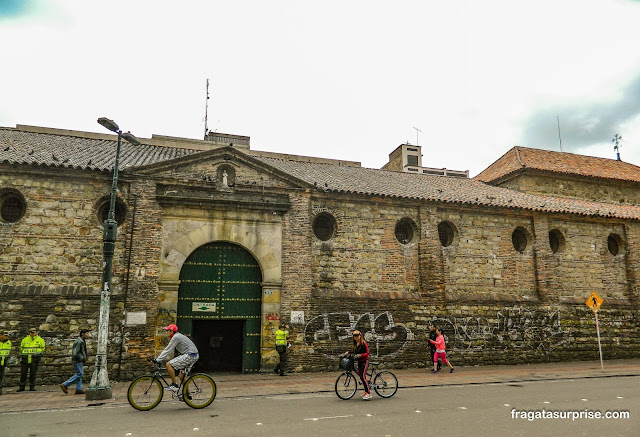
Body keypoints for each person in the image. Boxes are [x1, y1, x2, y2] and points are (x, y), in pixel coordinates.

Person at [154, 324, 199, 392]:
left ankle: (174, 385)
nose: (166, 332)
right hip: (193, 355)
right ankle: (187, 395)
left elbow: (168, 350)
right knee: (181, 376)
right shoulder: (177, 336)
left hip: (190, 355)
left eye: (167, 331)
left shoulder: (176, 337)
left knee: (168, 364)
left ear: (172, 331)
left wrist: (157, 360)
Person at [60, 329, 90, 395]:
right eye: (86, 333)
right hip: (77, 360)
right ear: (82, 334)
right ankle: (65, 384)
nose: (87, 335)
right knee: (79, 374)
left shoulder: (82, 341)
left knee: (79, 374)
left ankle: (79, 389)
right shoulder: (78, 342)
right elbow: (75, 353)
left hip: (79, 360)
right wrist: (82, 358)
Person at [347, 330, 371, 400]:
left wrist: (360, 355)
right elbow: (354, 352)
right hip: (359, 362)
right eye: (354, 336)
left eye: (357, 335)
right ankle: (366, 390)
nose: (356, 337)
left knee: (363, 377)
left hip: (364, 362)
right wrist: (348, 352)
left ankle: (368, 393)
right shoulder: (356, 344)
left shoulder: (363, 343)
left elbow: (367, 353)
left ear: (360, 336)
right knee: (361, 377)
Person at [0, 331, 11, 395]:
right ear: (1, 335)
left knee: (1, 376)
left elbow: (8, 352)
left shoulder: (8, 343)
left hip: (3, 362)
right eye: (5, 336)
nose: (6, 337)